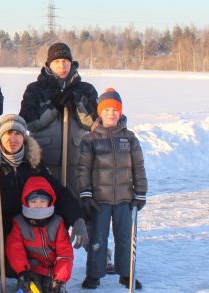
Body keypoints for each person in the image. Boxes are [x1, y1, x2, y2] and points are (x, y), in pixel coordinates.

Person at [0, 114, 87, 280]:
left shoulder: (34, 162)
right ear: (0, 137)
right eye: (8, 133)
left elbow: (58, 192)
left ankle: (39, 274)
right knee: (2, 263)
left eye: (18, 134)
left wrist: (77, 218)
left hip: (25, 225)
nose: (13, 138)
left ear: (24, 138)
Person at [76, 88, 148, 290]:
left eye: (115, 110)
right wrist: (86, 193)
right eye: (106, 110)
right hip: (100, 199)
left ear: (120, 112)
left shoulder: (129, 138)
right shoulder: (90, 139)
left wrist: (140, 192)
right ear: (100, 112)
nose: (111, 114)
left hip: (124, 198)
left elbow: (139, 167)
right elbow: (83, 169)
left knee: (125, 237)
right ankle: (94, 274)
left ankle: (126, 274)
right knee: (98, 237)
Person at [19, 42, 98, 197]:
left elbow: (93, 124)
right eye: (56, 62)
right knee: (46, 206)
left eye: (65, 61)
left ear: (71, 63)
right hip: (43, 161)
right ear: (49, 64)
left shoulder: (85, 89)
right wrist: (53, 107)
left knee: (75, 208)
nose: (62, 65)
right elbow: (28, 123)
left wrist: (78, 104)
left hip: (76, 162)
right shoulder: (35, 89)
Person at [7, 176, 73, 293]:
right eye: (33, 201)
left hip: (53, 272)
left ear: (49, 202)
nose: (38, 205)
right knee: (29, 290)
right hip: (31, 271)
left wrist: (59, 279)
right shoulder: (19, 223)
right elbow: (15, 250)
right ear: (26, 202)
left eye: (42, 201)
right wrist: (22, 271)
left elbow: (65, 254)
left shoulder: (57, 222)